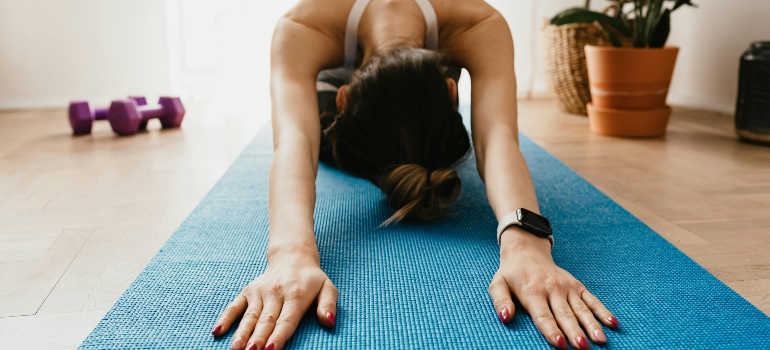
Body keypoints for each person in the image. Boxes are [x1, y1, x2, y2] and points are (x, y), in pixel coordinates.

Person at [211, 1, 618, 349]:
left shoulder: (478, 23)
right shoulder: (304, 25)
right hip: (329, 90)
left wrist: (527, 243)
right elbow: (295, 142)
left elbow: (497, 138)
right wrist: (290, 254)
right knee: (316, 134)